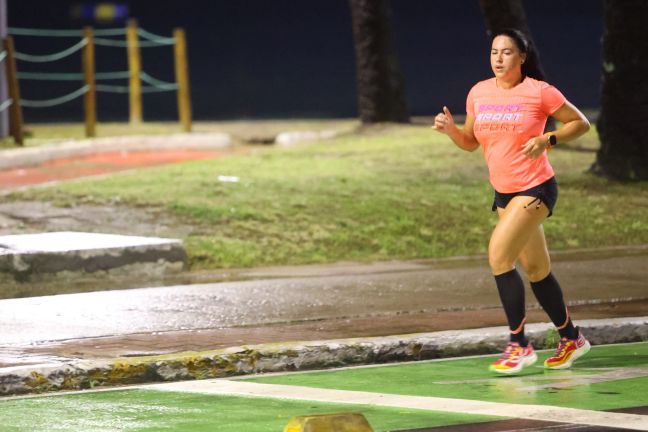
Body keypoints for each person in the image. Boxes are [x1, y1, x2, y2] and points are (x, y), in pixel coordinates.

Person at [433, 28, 591, 375]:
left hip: (536, 187)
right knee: (536, 270)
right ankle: (571, 337)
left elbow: (580, 124)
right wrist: (451, 131)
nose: (498, 59)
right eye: (493, 52)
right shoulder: (479, 93)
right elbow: (471, 142)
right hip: (504, 192)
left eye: (506, 52)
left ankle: (519, 345)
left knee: (499, 256)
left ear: (522, 57)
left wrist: (547, 139)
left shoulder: (538, 92)